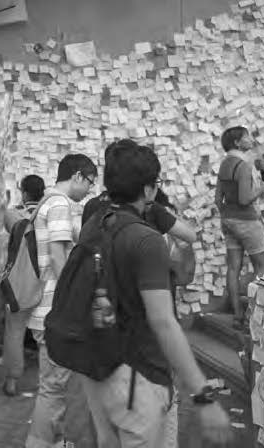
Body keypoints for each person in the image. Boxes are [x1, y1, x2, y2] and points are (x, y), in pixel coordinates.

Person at [78, 139, 231, 448]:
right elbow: (163, 322)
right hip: (139, 378)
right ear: (148, 189)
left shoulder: (94, 222)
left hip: (97, 369)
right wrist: (204, 397)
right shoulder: (147, 241)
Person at [26, 154, 98, 448]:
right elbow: (59, 256)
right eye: (90, 182)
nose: (90, 190)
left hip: (47, 309)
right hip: (54, 310)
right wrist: (73, 303)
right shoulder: (58, 205)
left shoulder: (46, 203)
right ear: (78, 175)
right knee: (54, 388)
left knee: (54, 386)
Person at [215, 126, 264, 321]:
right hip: (247, 221)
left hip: (228, 221)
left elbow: (218, 199)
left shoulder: (224, 165)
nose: (250, 139)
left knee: (233, 268)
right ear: (237, 143)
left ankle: (238, 314)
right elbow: (245, 198)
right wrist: (263, 187)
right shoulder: (243, 166)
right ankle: (257, 317)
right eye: (246, 136)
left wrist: (227, 215)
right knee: (262, 266)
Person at [0, 174, 45, 397]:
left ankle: (12, 380)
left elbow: (6, 220)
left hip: (20, 285)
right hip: (46, 284)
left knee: (14, 333)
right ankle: (45, 382)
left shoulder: (14, 216)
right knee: (45, 336)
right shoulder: (49, 216)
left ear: (24, 193)